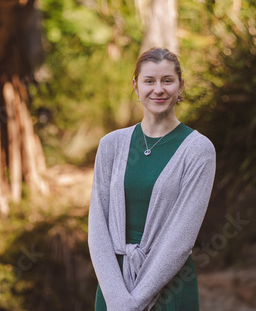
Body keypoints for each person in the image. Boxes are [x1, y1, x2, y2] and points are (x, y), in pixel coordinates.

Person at [88, 48, 216, 311]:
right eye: (149, 81)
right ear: (136, 86)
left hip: (169, 289)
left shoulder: (198, 150)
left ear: (181, 86)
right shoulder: (111, 145)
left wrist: (135, 303)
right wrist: (117, 299)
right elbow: (97, 227)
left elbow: (181, 239)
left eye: (167, 81)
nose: (158, 89)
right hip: (114, 289)